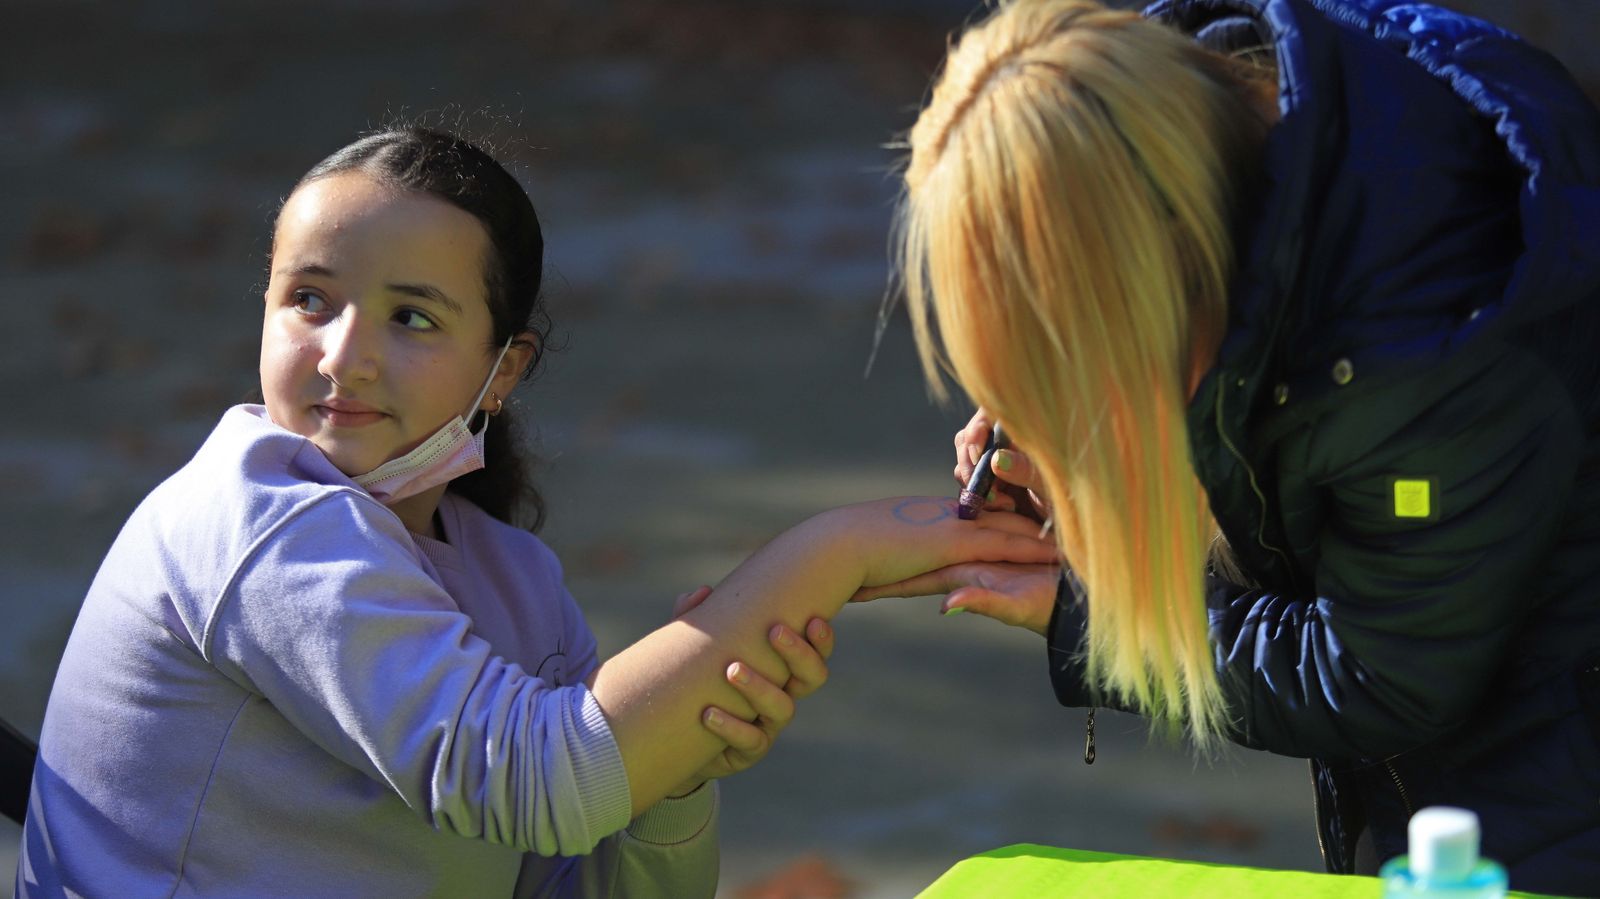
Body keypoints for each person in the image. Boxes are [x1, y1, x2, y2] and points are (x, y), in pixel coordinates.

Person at [15, 126, 1057, 898]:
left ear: (501, 366)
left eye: (411, 316)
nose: (345, 354)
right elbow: (537, 777)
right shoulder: (255, 515)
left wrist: (669, 769)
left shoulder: (511, 580)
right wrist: (828, 552)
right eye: (310, 299)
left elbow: (582, 880)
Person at [858, 0, 1600, 892]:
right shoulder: (1194, 132)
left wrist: (1089, 612)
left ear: (1140, 279)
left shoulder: (1423, 356)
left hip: (1547, 792)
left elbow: (1377, 673)